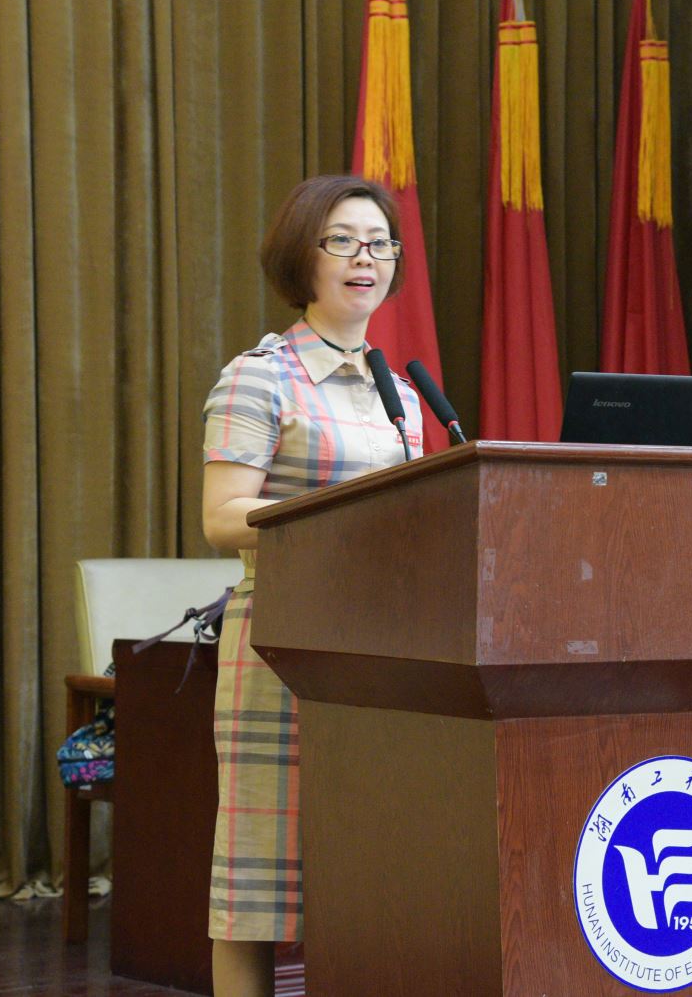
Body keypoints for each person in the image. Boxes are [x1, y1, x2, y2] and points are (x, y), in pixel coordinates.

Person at [200, 174, 423, 996]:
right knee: (256, 883)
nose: (366, 259)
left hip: (379, 654)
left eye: (381, 243)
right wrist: (338, 516)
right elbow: (222, 517)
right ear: (304, 257)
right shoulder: (260, 376)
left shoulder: (400, 393)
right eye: (343, 241)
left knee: (366, 873)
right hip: (282, 649)